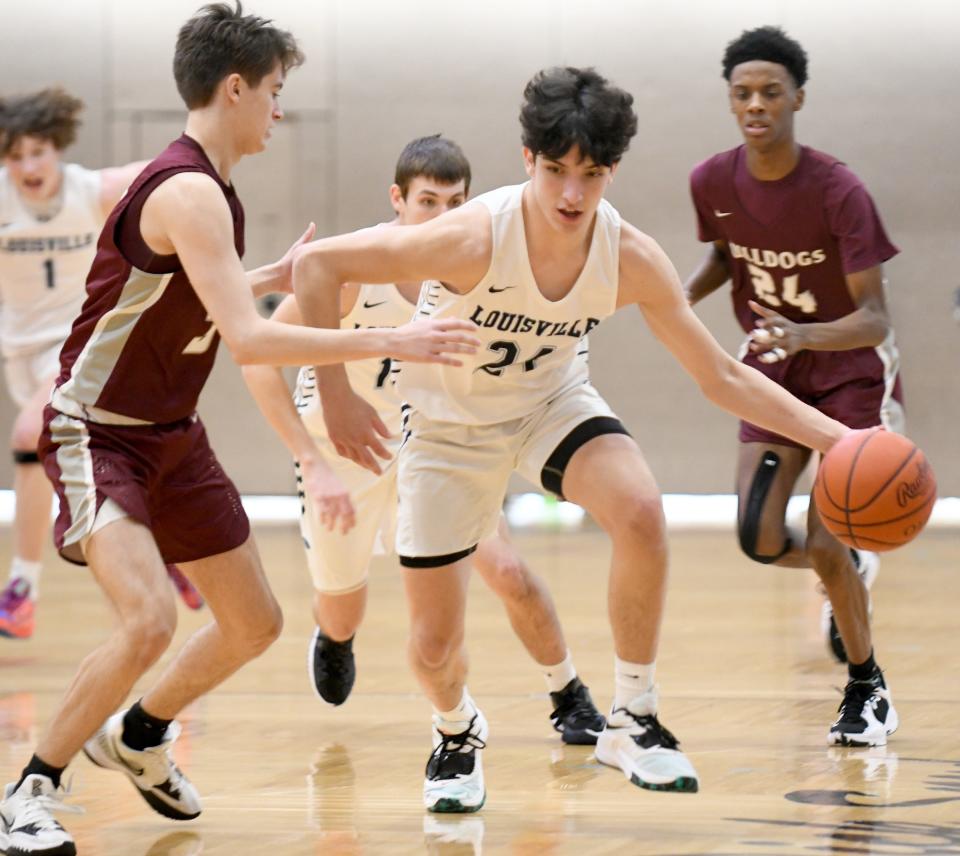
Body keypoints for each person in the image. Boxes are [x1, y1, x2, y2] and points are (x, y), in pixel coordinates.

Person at [293, 66, 854, 813]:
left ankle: (633, 716)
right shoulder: (470, 235)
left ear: (611, 171)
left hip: (550, 404)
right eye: (555, 171)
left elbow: (721, 374)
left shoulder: (629, 256)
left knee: (641, 509)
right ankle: (456, 732)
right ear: (528, 160)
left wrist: (841, 439)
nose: (570, 195)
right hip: (448, 430)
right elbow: (317, 265)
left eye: (590, 176)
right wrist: (333, 396)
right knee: (432, 647)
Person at [0, 5, 478, 855]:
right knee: (148, 618)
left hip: (170, 434)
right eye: (273, 91)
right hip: (99, 431)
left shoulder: (207, 194)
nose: (279, 110)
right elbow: (251, 337)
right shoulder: (187, 190)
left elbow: (202, 301)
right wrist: (389, 338)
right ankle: (30, 790)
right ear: (235, 89)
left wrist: (270, 274)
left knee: (254, 621)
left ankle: (142, 735)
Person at [241, 134, 605, 744]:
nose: (441, 217)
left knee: (507, 569)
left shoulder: (477, 269)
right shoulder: (353, 271)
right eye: (427, 202)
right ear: (397, 201)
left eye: (454, 203)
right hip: (343, 454)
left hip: (432, 447)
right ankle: (334, 637)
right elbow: (257, 355)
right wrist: (310, 457)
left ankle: (568, 692)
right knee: (341, 607)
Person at [684, 26, 900, 746]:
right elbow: (726, 253)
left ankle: (867, 690)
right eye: (742, 93)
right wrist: (675, 299)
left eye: (770, 92)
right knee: (758, 536)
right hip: (772, 374)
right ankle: (846, 565)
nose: (756, 104)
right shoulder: (712, 182)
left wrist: (807, 334)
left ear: (797, 98)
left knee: (831, 546)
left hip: (843, 375)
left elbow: (873, 319)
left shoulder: (839, 190)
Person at [0, 88, 205, 638]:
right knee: (88, 467)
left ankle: (21, 588)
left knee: (28, 434)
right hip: (18, 354)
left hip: (76, 345)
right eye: (15, 156)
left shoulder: (91, 191)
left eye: (37, 152)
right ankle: (161, 552)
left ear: (58, 149)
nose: (28, 166)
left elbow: (169, 169)